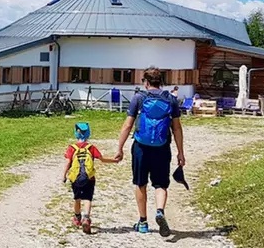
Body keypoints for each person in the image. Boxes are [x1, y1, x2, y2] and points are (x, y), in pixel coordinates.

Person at [114, 67, 185, 237]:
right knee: (161, 184)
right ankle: (159, 211)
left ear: (145, 82)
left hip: (141, 147)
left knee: (140, 183)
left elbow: (127, 125)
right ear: (161, 81)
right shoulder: (171, 99)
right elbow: (177, 128)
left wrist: (119, 148)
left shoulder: (139, 98)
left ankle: (143, 222)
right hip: (162, 148)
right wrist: (180, 152)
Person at [62, 122, 118, 234]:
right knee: (87, 198)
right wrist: (114, 160)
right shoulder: (91, 148)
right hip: (89, 178)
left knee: (77, 198)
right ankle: (86, 218)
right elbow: (101, 159)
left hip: (75, 178)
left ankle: (77, 218)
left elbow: (68, 162)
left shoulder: (71, 148)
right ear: (88, 134)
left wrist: (64, 175)